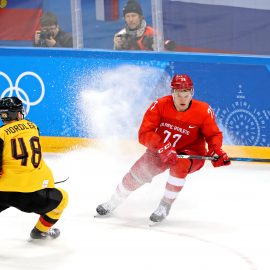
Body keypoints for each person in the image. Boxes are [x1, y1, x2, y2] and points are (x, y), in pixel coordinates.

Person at [96, 74, 231, 223]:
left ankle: (164, 206)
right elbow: (144, 133)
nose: (183, 99)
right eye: (179, 94)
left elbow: (213, 135)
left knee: (181, 163)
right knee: (136, 174)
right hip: (160, 151)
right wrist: (162, 146)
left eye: (186, 94)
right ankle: (113, 202)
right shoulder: (159, 105)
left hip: (190, 153)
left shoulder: (203, 110)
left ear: (192, 93)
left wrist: (216, 150)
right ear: (172, 92)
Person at [0, 97, 68, 239]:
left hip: (4, 191)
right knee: (62, 198)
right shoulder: (33, 127)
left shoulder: (1, 133)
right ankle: (40, 231)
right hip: (31, 194)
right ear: (18, 114)